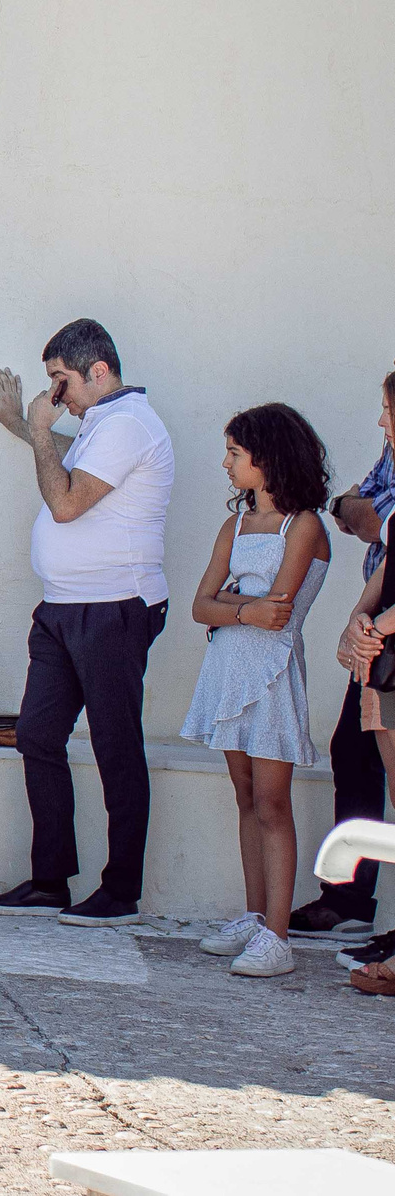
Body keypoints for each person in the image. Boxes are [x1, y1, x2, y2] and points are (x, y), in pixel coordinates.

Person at [0, 319, 175, 927]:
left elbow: (64, 502)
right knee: (38, 735)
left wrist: (38, 427)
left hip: (114, 609)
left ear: (99, 372)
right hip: (64, 609)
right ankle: (50, 881)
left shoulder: (130, 424)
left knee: (116, 748)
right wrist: (23, 425)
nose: (55, 395)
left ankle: (121, 893)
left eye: (61, 380)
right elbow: (69, 466)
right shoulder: (101, 427)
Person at [180, 403, 331, 979]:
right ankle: (252, 915)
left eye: (234, 454)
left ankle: (279, 932)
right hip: (228, 672)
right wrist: (242, 608)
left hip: (270, 678)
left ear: (266, 459)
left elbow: (279, 614)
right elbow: (200, 606)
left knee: (272, 803)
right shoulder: (234, 526)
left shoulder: (305, 526)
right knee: (244, 798)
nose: (225, 463)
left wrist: (231, 609)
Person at [301, 377, 395, 944]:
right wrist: (361, 621)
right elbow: (355, 510)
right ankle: (349, 902)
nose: (383, 424)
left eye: (388, 411)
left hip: (386, 634)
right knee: (353, 749)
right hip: (381, 641)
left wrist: (375, 625)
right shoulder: (392, 453)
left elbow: (377, 520)